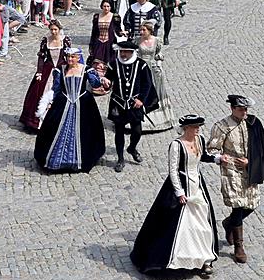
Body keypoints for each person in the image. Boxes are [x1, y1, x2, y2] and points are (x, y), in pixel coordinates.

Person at [129, 114, 219, 276]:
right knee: (179, 227)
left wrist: (218, 159)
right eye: (195, 126)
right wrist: (179, 192)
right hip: (182, 187)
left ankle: (204, 259)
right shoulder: (177, 145)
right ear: (186, 128)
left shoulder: (200, 140)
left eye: (199, 126)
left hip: (197, 186)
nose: (198, 129)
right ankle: (180, 259)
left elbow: (203, 156)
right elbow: (173, 170)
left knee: (203, 224)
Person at [207, 95, 264, 264]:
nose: (244, 113)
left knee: (251, 205)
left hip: (250, 170)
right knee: (237, 206)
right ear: (232, 109)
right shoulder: (222, 127)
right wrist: (221, 157)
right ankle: (239, 247)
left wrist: (250, 161)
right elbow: (212, 148)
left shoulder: (253, 123)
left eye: (246, 109)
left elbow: (261, 147)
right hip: (232, 171)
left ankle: (228, 224)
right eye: (241, 109)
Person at [33, 47, 105, 172]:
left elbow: (96, 85)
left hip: (83, 102)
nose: (70, 59)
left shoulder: (86, 70)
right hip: (64, 101)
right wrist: (50, 102)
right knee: (54, 129)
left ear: (78, 58)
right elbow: (56, 89)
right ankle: (57, 160)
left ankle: (80, 160)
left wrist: (100, 79)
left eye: (73, 57)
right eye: (68, 56)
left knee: (86, 131)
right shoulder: (60, 71)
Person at [102, 41, 159, 173]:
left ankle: (132, 148)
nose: (123, 54)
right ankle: (120, 159)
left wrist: (141, 100)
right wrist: (106, 82)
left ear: (132, 52)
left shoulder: (142, 65)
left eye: (126, 52)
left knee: (137, 131)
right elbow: (108, 81)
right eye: (121, 51)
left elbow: (147, 84)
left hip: (135, 104)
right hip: (118, 103)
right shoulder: (113, 64)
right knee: (119, 132)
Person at [19, 20, 71, 131]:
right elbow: (42, 58)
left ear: (59, 29)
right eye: (51, 29)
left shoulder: (65, 41)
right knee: (38, 93)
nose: (53, 32)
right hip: (48, 68)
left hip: (61, 69)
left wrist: (69, 70)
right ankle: (35, 122)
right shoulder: (45, 41)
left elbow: (68, 57)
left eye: (55, 29)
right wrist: (39, 72)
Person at [137, 21, 175, 132]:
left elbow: (158, 54)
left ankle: (159, 118)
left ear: (150, 30)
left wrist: (158, 64)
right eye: (141, 29)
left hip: (153, 69)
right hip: (141, 68)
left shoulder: (157, 41)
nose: (141, 32)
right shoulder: (137, 40)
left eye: (144, 30)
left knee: (156, 91)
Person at [89, 0, 121, 67]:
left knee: (109, 62)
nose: (106, 8)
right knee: (97, 61)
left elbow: (118, 30)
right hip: (99, 42)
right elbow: (94, 32)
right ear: (102, 7)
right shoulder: (97, 17)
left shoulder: (115, 17)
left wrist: (122, 33)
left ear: (110, 7)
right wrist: (91, 44)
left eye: (108, 6)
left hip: (109, 43)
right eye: (104, 6)